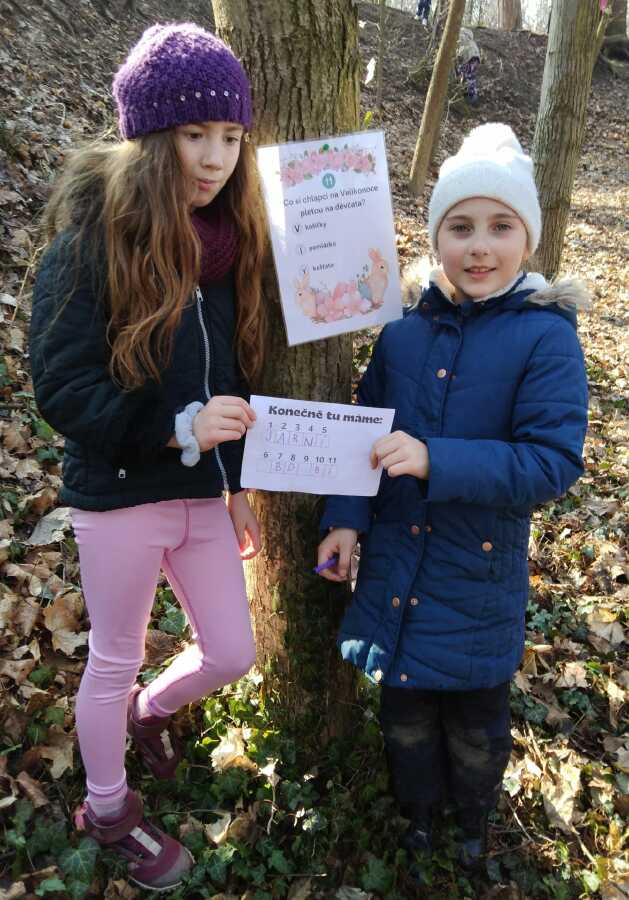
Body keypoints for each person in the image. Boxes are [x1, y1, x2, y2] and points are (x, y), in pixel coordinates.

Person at [29, 23, 267, 892]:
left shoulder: (228, 247)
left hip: (203, 495)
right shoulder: (92, 242)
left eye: (230, 137)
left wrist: (234, 485)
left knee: (233, 653)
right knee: (114, 656)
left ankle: (149, 713)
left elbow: (228, 380)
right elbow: (62, 386)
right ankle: (107, 809)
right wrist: (171, 429)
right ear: (149, 136)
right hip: (121, 494)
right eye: (194, 134)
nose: (214, 158)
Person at [317, 124, 589, 869]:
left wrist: (436, 460)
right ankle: (416, 817)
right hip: (395, 571)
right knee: (403, 715)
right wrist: (344, 521)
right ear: (435, 237)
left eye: (501, 227)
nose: (479, 247)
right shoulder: (401, 334)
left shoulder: (546, 338)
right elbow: (363, 438)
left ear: (527, 239)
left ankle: (471, 821)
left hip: (477, 578)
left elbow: (550, 461)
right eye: (460, 227)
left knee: (475, 726)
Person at [456, 27, 481, 105]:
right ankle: (472, 95)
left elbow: (460, 49)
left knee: (465, 75)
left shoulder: (460, 36)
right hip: (476, 58)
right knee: (471, 76)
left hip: (468, 58)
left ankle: (469, 96)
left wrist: (458, 56)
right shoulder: (471, 40)